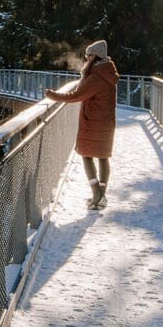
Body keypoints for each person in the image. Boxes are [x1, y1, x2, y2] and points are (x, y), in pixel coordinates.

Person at [45, 39, 119, 209]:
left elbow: (75, 96)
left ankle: (97, 195)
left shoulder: (96, 76)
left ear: (96, 56)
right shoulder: (107, 72)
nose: (86, 58)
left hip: (93, 122)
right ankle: (100, 197)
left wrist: (52, 95)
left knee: (86, 155)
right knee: (103, 157)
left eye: (89, 55)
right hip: (106, 122)